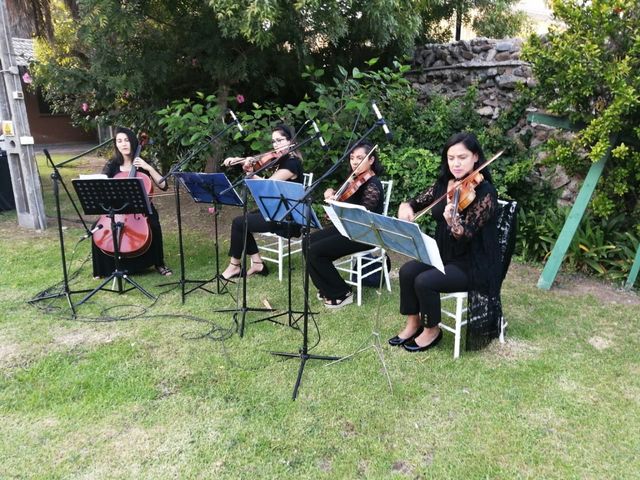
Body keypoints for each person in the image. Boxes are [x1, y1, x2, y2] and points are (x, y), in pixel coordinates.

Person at [390, 132, 503, 352]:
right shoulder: (445, 184)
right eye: (451, 158)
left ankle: (432, 330)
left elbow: (466, 233)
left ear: (475, 158)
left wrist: (454, 223)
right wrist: (407, 206)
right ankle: (414, 323)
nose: (456, 163)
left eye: (462, 157)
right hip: (443, 254)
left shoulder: (485, 192)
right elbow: (418, 201)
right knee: (407, 271)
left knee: (425, 281)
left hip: (472, 262)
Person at [305, 141, 385, 308]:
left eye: (360, 158)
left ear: (371, 161)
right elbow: (345, 200)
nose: (355, 162)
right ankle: (326, 286)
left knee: (316, 251)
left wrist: (338, 205)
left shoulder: (373, 185)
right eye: (352, 158)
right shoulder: (354, 179)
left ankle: (341, 292)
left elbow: (361, 216)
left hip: (365, 233)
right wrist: (332, 195)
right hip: (347, 228)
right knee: (307, 242)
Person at [220, 124, 303, 279]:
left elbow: (267, 186)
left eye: (280, 140)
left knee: (239, 223)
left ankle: (234, 267)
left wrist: (247, 169)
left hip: (287, 218)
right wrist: (251, 172)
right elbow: (266, 184)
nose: (276, 144)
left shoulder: (292, 163)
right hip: (276, 211)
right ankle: (257, 264)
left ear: (290, 141)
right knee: (242, 222)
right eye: (273, 141)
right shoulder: (281, 161)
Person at [92, 127, 172, 277]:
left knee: (153, 224)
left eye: (126, 140)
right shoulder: (113, 165)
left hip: (140, 208)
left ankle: (159, 263)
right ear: (116, 145)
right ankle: (103, 268)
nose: (123, 144)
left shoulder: (142, 163)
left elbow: (164, 185)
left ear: (133, 142)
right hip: (118, 208)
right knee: (97, 226)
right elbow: (102, 185)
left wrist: (147, 167)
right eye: (119, 141)